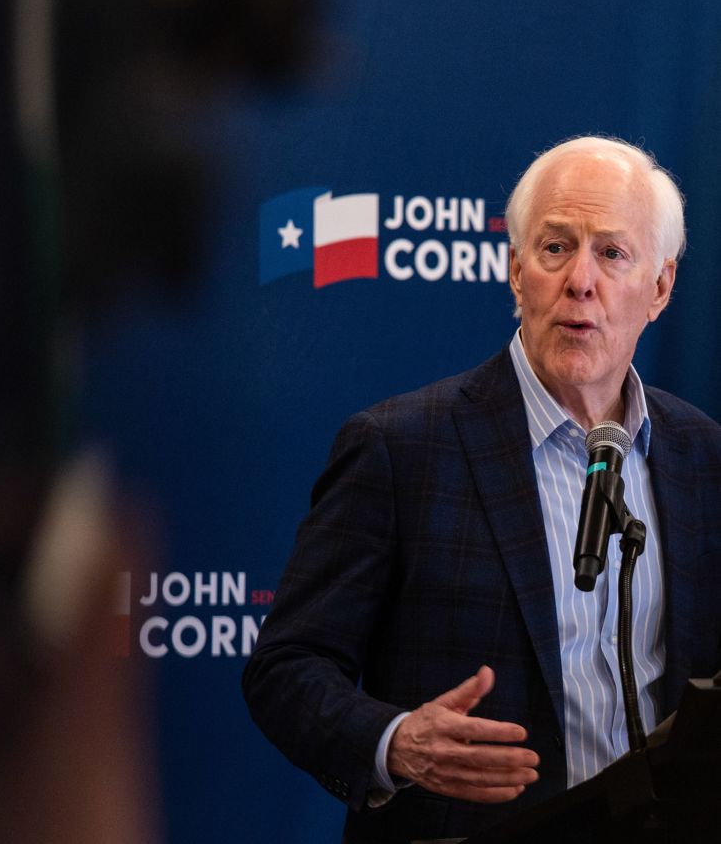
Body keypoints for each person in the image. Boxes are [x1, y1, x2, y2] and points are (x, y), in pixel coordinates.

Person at [242, 136, 721, 844]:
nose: (580, 280)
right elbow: (285, 668)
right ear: (515, 270)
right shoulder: (401, 447)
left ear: (660, 287)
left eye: (612, 253)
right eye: (556, 248)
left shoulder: (702, 455)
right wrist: (395, 740)